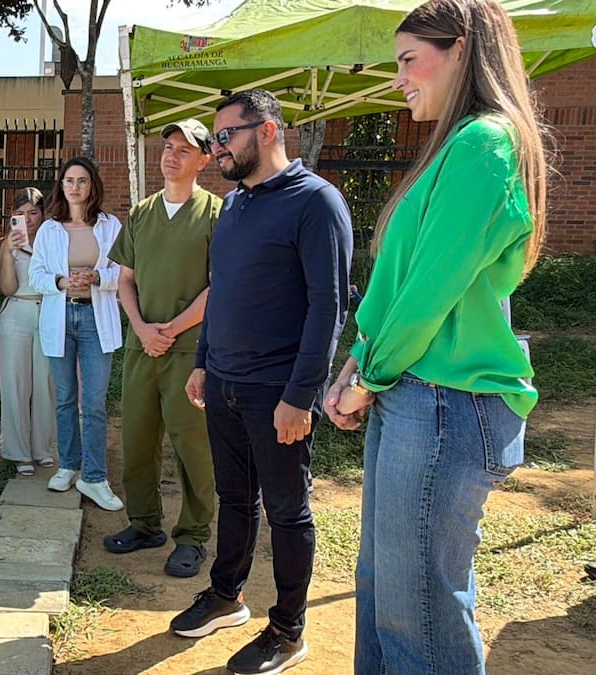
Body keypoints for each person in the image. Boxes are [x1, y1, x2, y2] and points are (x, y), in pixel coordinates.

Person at [325, 2, 548, 672]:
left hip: (447, 401)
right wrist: (360, 363)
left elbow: (428, 292)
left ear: (461, 50)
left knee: (415, 614)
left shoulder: (485, 143)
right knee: (389, 596)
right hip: (423, 394)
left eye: (408, 60)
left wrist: (366, 375)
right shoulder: (465, 143)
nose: (399, 79)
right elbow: (403, 288)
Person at [174, 89, 353, 675]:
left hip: (276, 393)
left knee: (287, 511)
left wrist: (300, 397)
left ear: (269, 131)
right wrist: (202, 359)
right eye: (215, 139)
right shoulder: (235, 206)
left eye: (226, 136)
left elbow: (327, 307)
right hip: (223, 381)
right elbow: (221, 290)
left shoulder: (316, 203)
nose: (216, 147)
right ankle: (227, 596)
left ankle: (288, 629)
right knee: (233, 497)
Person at [103, 119, 221, 578]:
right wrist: (141, 327)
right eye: (167, 147)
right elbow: (124, 279)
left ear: (204, 161)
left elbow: (220, 286)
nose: (171, 156)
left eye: (184, 150)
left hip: (189, 351)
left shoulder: (216, 214)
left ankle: (193, 536)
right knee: (137, 439)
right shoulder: (142, 213)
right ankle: (144, 523)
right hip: (141, 347)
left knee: (193, 445)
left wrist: (170, 328)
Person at [29, 157, 124, 511]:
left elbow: (125, 272)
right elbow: (36, 275)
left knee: (95, 403)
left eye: (82, 180)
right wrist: (61, 281)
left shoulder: (110, 226)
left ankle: (95, 477)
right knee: (66, 398)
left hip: (96, 320)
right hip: (60, 317)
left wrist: (99, 278)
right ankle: (69, 465)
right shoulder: (50, 229)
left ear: (92, 185)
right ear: (62, 186)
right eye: (69, 180)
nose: (75, 187)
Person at [0, 187, 56, 475]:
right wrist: (8, 250)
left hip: (47, 314)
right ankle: (19, 452)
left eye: (34, 212)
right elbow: (7, 287)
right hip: (16, 313)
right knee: (15, 385)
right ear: (12, 216)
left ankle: (42, 448)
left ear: (43, 215)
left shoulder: (53, 241)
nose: (28, 219)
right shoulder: (9, 244)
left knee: (46, 385)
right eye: (21, 214)